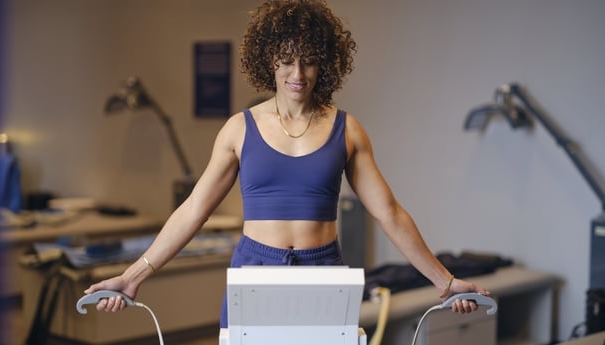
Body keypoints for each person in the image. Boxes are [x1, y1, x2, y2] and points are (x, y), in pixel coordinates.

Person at [85, 0, 488, 327]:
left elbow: (390, 213)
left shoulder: (348, 130)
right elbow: (193, 210)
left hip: (323, 269)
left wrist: (446, 281)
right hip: (255, 269)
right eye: (287, 60)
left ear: (324, 63)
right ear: (269, 60)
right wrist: (133, 277)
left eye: (309, 61)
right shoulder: (238, 130)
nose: (298, 73)